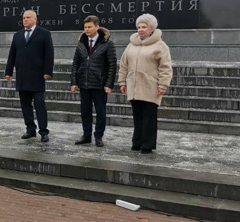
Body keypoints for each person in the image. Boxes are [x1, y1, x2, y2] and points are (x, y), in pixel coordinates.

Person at [118, 13, 173, 154]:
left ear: (152, 28)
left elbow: (165, 67)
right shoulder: (132, 44)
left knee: (149, 117)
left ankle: (147, 145)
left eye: (144, 27)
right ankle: (137, 142)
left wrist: (163, 85)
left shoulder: (160, 46)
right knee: (137, 116)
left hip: (150, 86)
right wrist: (122, 81)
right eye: (139, 27)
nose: (141, 29)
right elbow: (124, 64)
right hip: (133, 85)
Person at [5, 10, 54, 142]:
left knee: (39, 104)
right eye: (24, 18)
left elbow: (49, 54)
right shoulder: (18, 35)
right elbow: (12, 55)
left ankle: (43, 131)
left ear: (35, 19)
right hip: (22, 76)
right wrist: (8, 72)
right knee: (25, 105)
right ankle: (30, 129)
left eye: (28, 17)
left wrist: (48, 72)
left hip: (37, 76)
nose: (25, 20)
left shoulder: (44, 33)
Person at [70, 15, 117, 147]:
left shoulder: (107, 44)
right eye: (85, 27)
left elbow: (112, 66)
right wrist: (74, 82)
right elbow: (75, 64)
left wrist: (109, 84)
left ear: (97, 26)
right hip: (84, 84)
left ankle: (98, 136)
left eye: (90, 27)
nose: (87, 29)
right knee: (85, 112)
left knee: (100, 112)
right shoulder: (81, 43)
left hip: (99, 85)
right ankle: (86, 135)